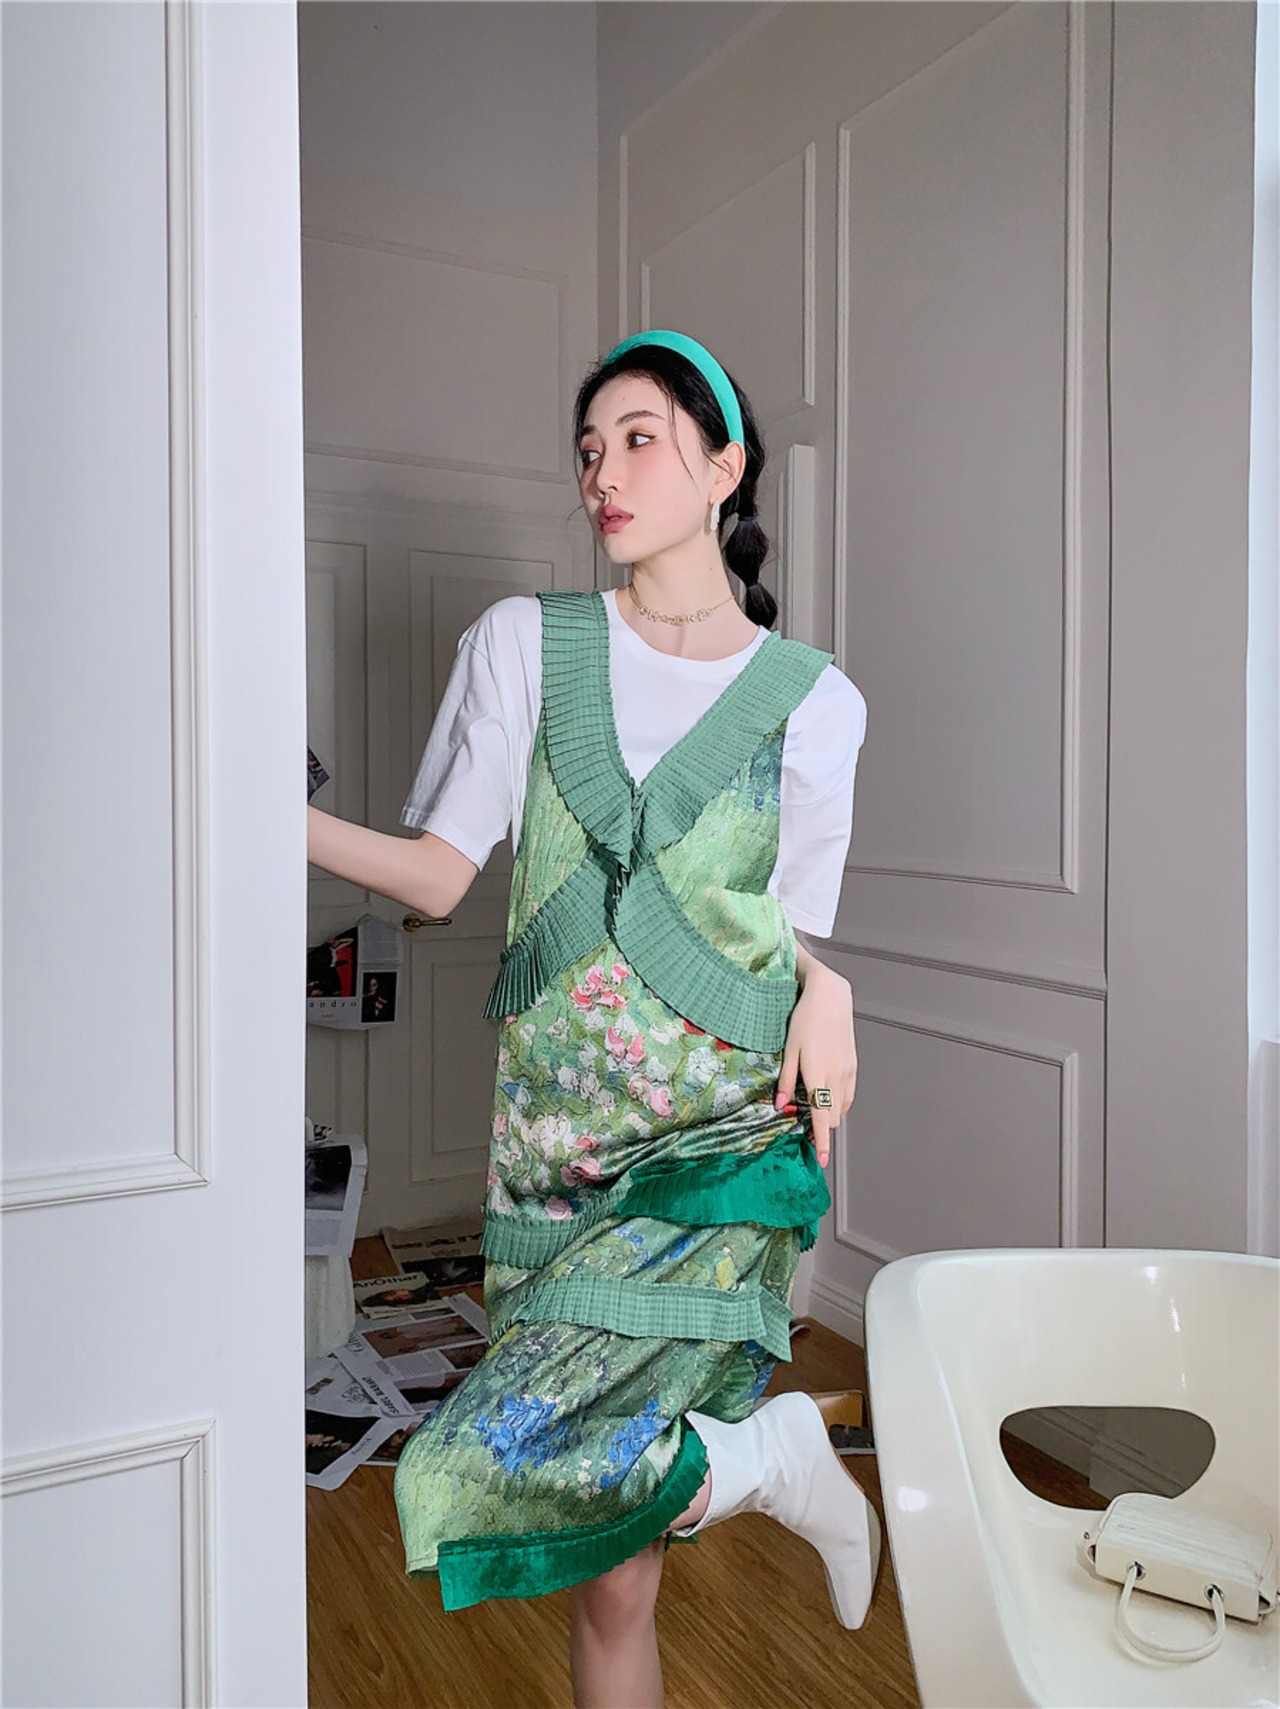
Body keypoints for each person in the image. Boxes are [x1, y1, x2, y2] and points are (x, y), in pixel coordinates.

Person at [307, 329, 877, 1709]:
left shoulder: (816, 702)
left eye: (637, 440)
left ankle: (761, 1459)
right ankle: (763, 1459)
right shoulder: (528, 642)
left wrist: (834, 987)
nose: (602, 475)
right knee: (596, 1558)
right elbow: (438, 875)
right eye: (586, 451)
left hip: (725, 1137)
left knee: (493, 1493)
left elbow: (791, 927)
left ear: (723, 467)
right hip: (556, 1153)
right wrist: (263, 816)